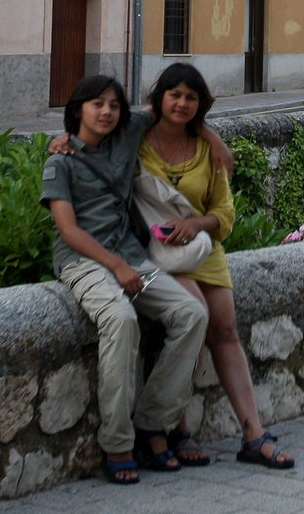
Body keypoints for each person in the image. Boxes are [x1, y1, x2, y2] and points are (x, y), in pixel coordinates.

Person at [43, 74, 212, 486]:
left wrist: (216, 140)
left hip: (132, 259)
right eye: (96, 104)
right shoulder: (59, 161)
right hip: (84, 261)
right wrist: (116, 266)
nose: (106, 112)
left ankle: (153, 422)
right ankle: (117, 441)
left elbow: (176, 107)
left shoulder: (128, 133)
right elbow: (68, 230)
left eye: (114, 105)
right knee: (121, 319)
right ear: (78, 109)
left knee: (191, 313)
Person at [139, 65, 296, 472]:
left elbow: (224, 214)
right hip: (159, 253)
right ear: (160, 97)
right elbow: (97, 125)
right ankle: (176, 427)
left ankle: (253, 433)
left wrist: (197, 223)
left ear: (200, 104)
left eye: (190, 97)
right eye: (174, 94)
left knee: (225, 330)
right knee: (194, 319)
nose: (181, 103)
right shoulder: (137, 139)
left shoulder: (207, 149)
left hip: (203, 249)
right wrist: (64, 139)